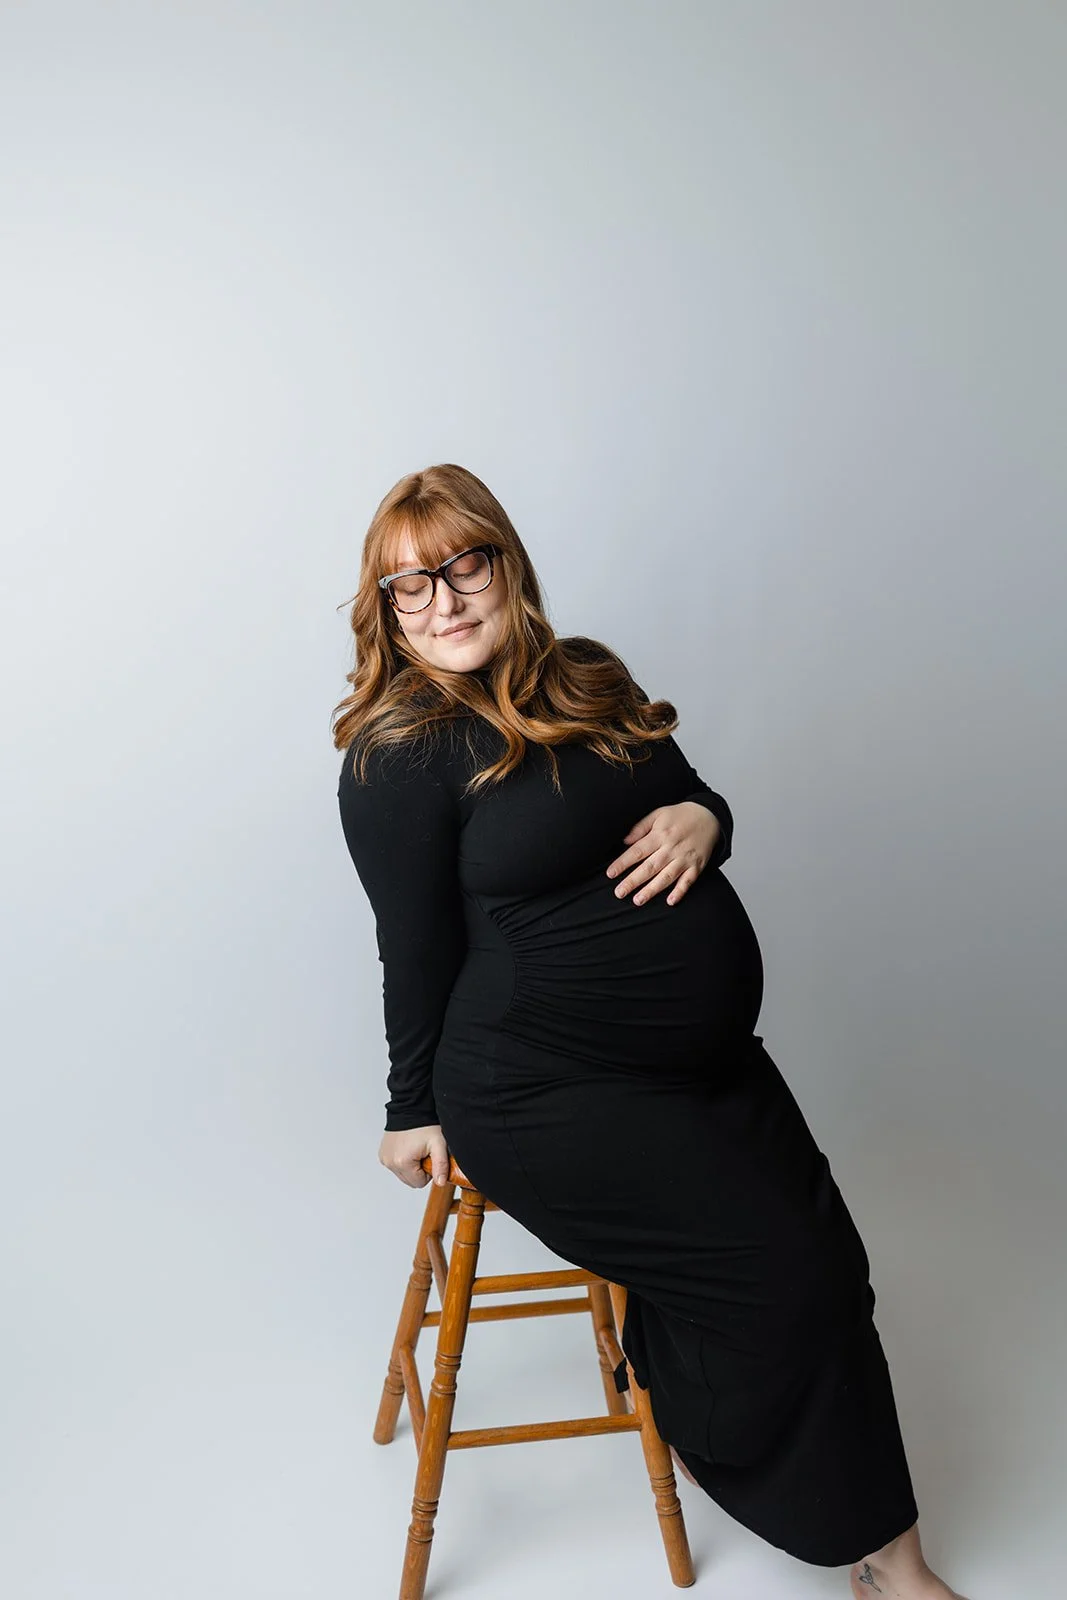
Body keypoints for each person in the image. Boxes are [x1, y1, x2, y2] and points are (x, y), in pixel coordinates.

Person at [333, 464, 967, 1600]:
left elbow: (683, 789)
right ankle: (827, 1515)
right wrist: (407, 1106)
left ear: (502, 561)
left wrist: (702, 819)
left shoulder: (583, 676)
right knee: (788, 1278)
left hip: (700, 1066)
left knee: (834, 1266)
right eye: (406, 586)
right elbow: (411, 947)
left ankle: (894, 1556)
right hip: (538, 1087)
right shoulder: (399, 754)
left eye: (459, 563)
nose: (441, 600)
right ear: (383, 610)